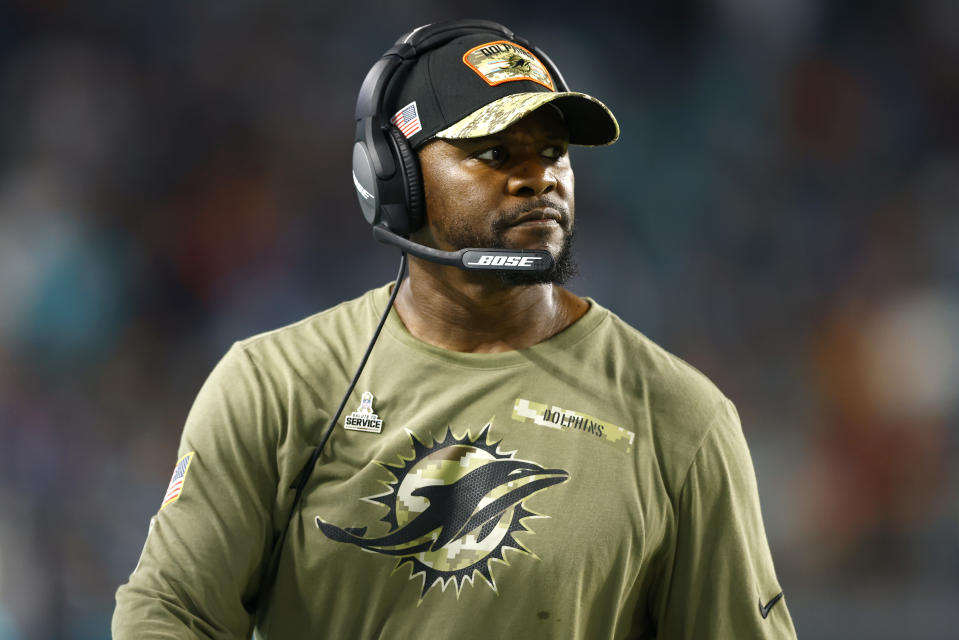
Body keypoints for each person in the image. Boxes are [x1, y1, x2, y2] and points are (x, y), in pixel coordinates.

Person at [113, 20, 797, 639]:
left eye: (553, 152)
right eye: (496, 154)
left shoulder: (680, 419)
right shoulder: (276, 386)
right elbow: (170, 613)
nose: (539, 180)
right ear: (395, 177)